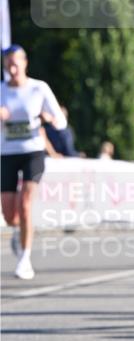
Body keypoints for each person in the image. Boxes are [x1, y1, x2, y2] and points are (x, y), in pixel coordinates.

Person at [1, 44, 67, 279]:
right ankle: (20, 234)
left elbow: (61, 122)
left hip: (33, 152)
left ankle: (25, 258)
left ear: (25, 63)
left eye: (16, 61)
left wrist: (48, 118)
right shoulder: (1, 90)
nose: (12, 66)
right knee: (10, 214)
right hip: (7, 153)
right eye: (8, 61)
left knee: (26, 203)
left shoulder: (39, 88)